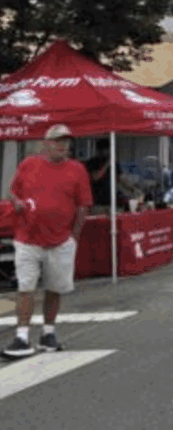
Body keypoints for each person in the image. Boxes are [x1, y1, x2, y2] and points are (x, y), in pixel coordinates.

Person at [3, 125, 92, 359]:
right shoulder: (29, 165)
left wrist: (74, 236)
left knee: (55, 288)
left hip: (61, 239)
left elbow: (84, 205)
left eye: (66, 142)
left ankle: (48, 333)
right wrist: (18, 203)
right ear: (46, 143)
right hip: (28, 238)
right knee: (26, 287)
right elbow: (13, 191)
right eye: (57, 141)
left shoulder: (77, 169)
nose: (62, 146)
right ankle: (22, 336)